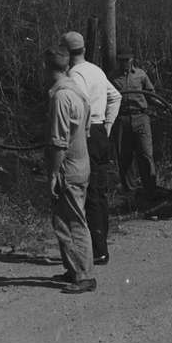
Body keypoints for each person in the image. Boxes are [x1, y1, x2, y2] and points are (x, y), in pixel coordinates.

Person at [59, 31, 122, 266]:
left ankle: (96, 250)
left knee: (86, 194)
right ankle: (100, 246)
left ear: (65, 52)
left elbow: (80, 104)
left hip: (85, 134)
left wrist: (83, 132)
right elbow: (115, 97)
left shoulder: (74, 74)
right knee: (99, 192)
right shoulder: (96, 70)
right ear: (84, 49)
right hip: (98, 133)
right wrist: (106, 126)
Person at [42, 47, 95, 294]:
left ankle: (84, 276)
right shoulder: (76, 90)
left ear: (47, 67)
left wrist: (53, 173)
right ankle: (73, 269)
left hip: (68, 168)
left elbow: (59, 142)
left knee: (72, 222)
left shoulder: (61, 96)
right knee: (64, 219)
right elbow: (85, 128)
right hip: (81, 163)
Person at [110, 48, 157, 196]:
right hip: (122, 119)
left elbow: (151, 94)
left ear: (132, 60)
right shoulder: (112, 77)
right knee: (125, 156)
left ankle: (150, 190)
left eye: (127, 60)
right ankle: (130, 192)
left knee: (145, 154)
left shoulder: (141, 75)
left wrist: (165, 105)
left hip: (141, 118)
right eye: (121, 60)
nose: (124, 63)